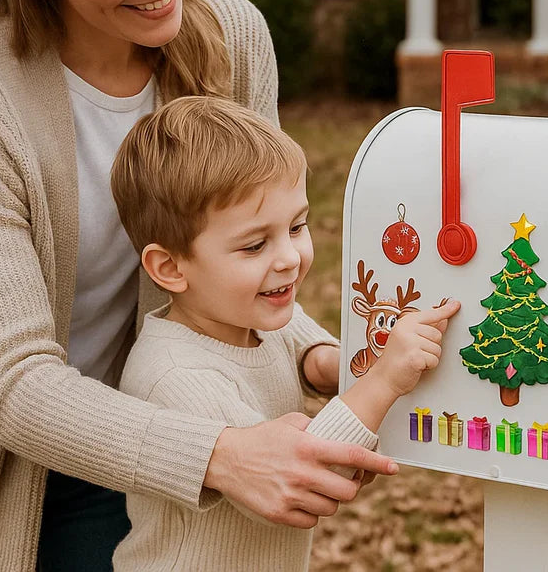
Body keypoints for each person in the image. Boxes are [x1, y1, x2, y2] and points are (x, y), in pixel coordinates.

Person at [0, 0, 398, 572]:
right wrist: (220, 453)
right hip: (16, 470)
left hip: (186, 434)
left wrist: (319, 354)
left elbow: (244, 251)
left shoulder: (233, 38)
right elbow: (10, 381)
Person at [109, 95, 459, 571]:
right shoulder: (175, 374)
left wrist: (338, 365)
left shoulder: (254, 314)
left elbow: (309, 351)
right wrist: (383, 382)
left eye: (297, 226)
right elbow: (302, 480)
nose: (289, 257)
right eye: (255, 245)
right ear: (170, 267)